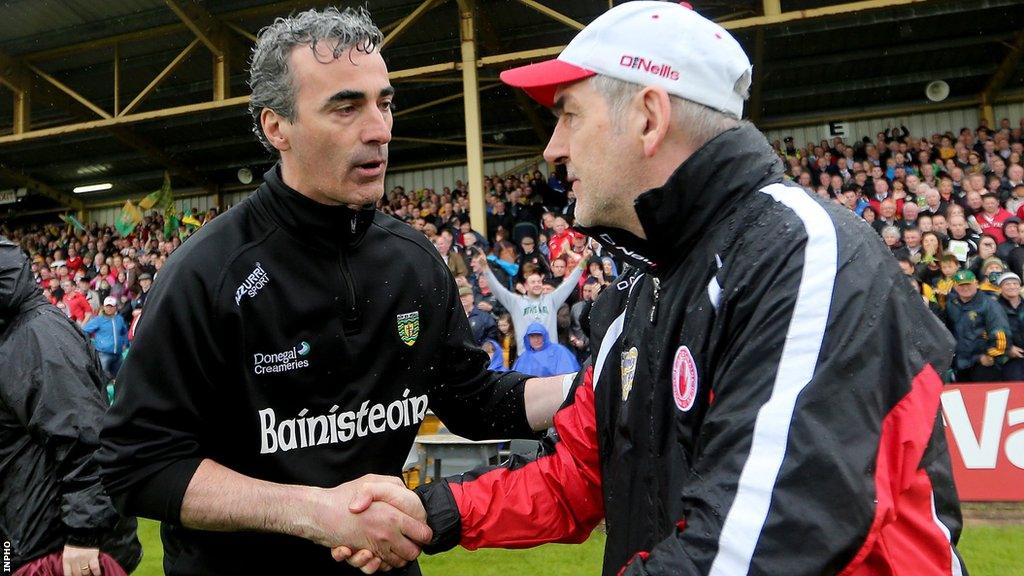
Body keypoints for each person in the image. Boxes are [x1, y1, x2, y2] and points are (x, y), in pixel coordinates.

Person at [352, 4, 965, 575]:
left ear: (649, 117)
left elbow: (752, 547)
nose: (552, 149)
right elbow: (577, 476)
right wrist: (435, 512)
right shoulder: (639, 290)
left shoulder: (806, 258)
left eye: (568, 114)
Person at [96, 8, 567, 576]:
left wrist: (591, 388)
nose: (379, 129)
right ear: (277, 128)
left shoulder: (414, 260)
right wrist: (317, 512)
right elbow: (138, 466)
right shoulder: (208, 273)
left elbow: (471, 399)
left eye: (384, 102)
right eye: (346, 106)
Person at [0, 238, 141, 575]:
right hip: (26, 536)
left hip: (58, 550)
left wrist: (83, 535)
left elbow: (87, 438)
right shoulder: (14, 336)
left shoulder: (38, 335)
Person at [475, 250, 585, 344]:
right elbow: (497, 289)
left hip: (550, 356)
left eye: (539, 281)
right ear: (525, 286)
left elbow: (570, 283)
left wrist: (583, 261)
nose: (537, 284)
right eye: (533, 282)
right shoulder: (517, 302)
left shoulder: (551, 299)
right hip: (526, 358)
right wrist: (485, 269)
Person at [83, 296, 129, 381]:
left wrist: (125, 344)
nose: (109, 309)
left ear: (115, 307)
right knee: (102, 378)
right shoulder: (99, 320)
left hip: (118, 354)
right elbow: (85, 331)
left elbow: (124, 332)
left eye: (111, 306)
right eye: (107, 306)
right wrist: (90, 344)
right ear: (103, 307)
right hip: (103, 354)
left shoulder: (119, 319)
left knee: (119, 378)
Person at [511, 322, 581, 378]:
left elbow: (568, 376)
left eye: (539, 335)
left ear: (544, 336)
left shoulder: (559, 351)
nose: (536, 340)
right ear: (528, 339)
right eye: (532, 336)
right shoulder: (523, 358)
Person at [996, 271, 1024, 381]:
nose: (1012, 286)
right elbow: (989, 332)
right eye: (1007, 284)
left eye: (1015, 283)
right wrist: (1007, 349)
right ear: (1000, 288)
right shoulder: (994, 308)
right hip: (1008, 358)